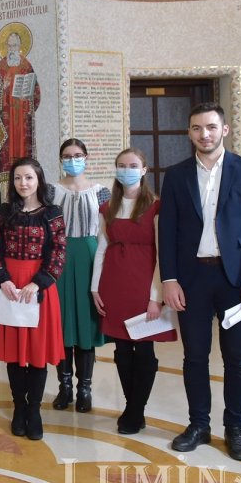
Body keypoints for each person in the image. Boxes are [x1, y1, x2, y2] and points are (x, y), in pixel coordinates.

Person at [159, 103, 241, 462]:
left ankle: (235, 429)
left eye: (210, 127)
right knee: (194, 356)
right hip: (192, 279)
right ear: (189, 132)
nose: (203, 134)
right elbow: (169, 231)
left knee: (237, 359)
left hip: (236, 280)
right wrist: (170, 279)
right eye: (196, 128)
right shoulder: (176, 175)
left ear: (224, 130)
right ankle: (199, 425)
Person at [92, 148, 174, 434]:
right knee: (123, 349)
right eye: (121, 165)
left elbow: (163, 254)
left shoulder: (156, 206)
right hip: (114, 284)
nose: (126, 169)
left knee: (144, 350)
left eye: (133, 165)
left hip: (144, 285)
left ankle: (135, 410)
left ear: (144, 170)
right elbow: (102, 249)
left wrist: (156, 297)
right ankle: (132, 408)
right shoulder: (108, 208)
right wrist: (95, 288)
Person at [0, 157, 67, 441]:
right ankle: (19, 407)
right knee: (15, 354)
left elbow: (58, 251)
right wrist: (2, 277)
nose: (23, 183)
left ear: (39, 180)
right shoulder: (3, 212)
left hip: (38, 286)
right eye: (18, 178)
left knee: (36, 354)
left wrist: (39, 282)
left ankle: (34, 410)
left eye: (29, 177)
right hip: (8, 283)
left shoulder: (52, 213)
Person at [50, 139, 109, 413]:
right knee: (62, 324)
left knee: (85, 325)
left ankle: (85, 387)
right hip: (59, 258)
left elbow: (108, 232)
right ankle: (64, 387)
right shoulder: (50, 191)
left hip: (89, 257)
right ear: (60, 159)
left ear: (86, 157)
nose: (72, 160)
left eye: (77, 155)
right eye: (67, 156)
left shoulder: (101, 192)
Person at [0, 29, 40, 183]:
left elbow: (36, 93)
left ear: (20, 46)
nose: (12, 49)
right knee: (6, 150)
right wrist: (3, 88)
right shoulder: (1, 67)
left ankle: (26, 177)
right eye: (9, 46)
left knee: (23, 148)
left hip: (23, 119)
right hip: (7, 119)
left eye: (15, 46)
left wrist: (28, 95)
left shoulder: (26, 66)